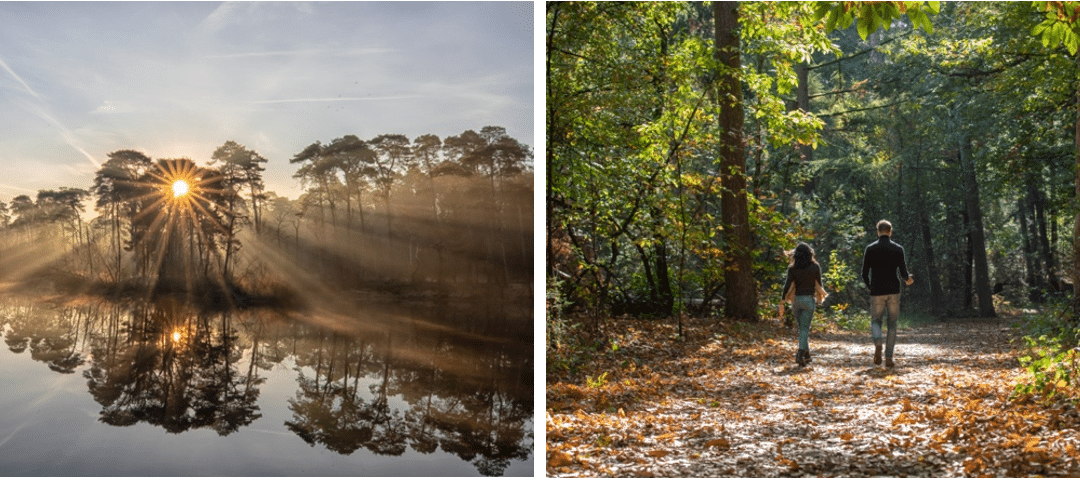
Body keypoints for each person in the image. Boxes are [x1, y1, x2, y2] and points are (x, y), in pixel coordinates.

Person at [860, 220, 913, 368]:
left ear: (878, 231)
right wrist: (908, 279)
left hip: (877, 290)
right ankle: (889, 357)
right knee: (892, 324)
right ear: (890, 231)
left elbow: (864, 273)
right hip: (893, 291)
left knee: (876, 321)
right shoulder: (898, 249)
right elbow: (903, 273)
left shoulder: (870, 249)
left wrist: (870, 287)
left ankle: (878, 343)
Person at [781, 243, 827, 367]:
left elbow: (787, 285)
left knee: (802, 328)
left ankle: (806, 355)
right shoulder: (815, 267)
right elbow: (819, 285)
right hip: (808, 300)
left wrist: (782, 301)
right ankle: (800, 353)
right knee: (804, 329)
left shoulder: (792, 268)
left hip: (796, 301)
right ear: (810, 253)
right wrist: (819, 297)